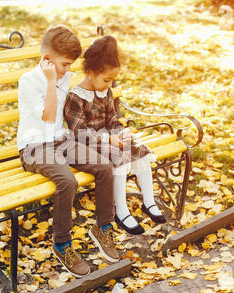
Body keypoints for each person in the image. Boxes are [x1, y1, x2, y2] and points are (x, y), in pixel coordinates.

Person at [17, 26, 119, 278]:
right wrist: (51, 81)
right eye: (63, 65)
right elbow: (49, 115)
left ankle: (103, 229)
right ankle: (62, 244)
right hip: (34, 146)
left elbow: (61, 122)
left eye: (69, 66)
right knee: (67, 180)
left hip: (59, 139)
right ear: (46, 59)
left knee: (105, 167)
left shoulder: (62, 74)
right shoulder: (29, 82)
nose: (67, 71)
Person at [63, 35, 166, 236]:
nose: (109, 85)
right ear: (90, 72)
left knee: (139, 149)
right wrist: (108, 139)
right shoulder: (75, 97)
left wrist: (122, 132)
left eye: (113, 80)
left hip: (109, 139)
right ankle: (121, 211)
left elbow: (112, 120)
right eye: (106, 79)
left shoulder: (106, 92)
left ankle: (149, 202)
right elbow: (79, 132)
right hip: (86, 145)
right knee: (119, 158)